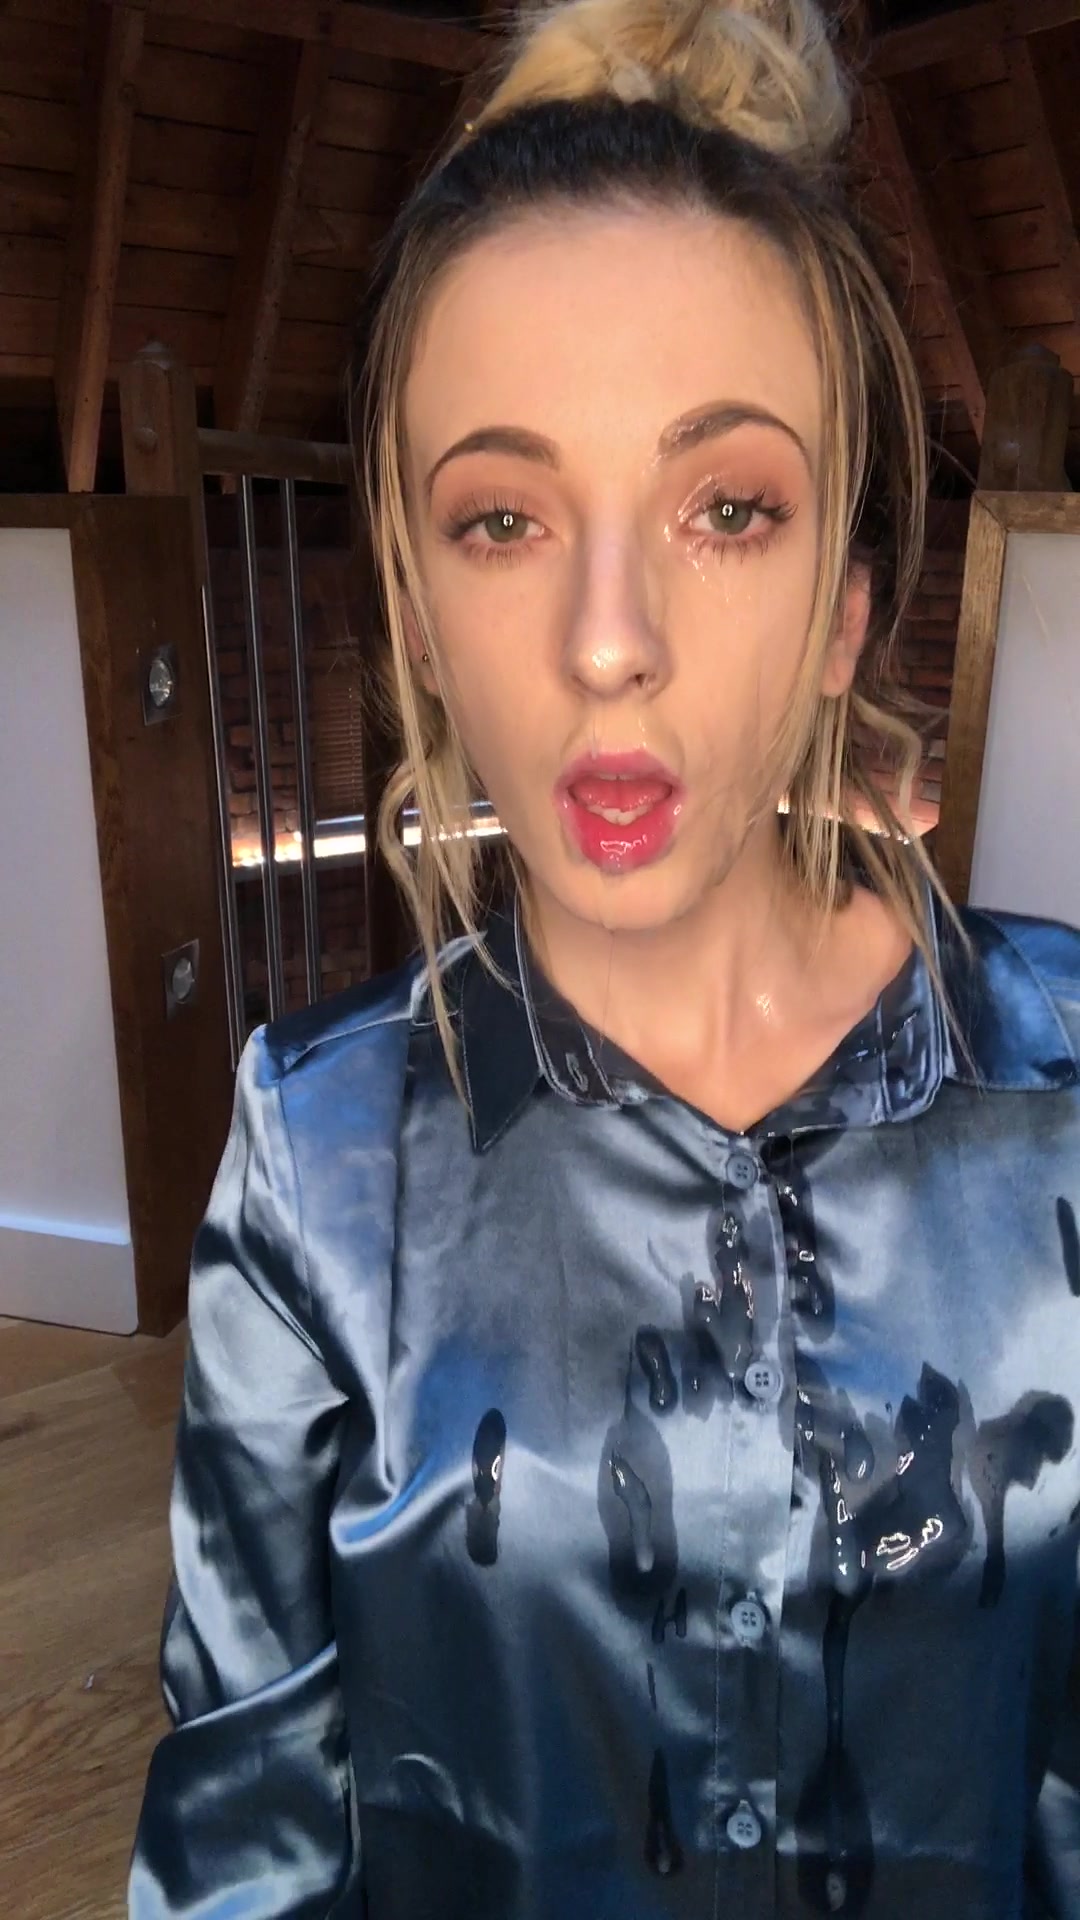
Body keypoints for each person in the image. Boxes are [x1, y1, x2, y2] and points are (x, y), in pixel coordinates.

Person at [127, 0, 1080, 1913]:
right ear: (418, 604)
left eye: (727, 509)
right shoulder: (323, 1158)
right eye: (502, 519)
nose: (606, 639)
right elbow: (243, 1848)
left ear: (844, 611)